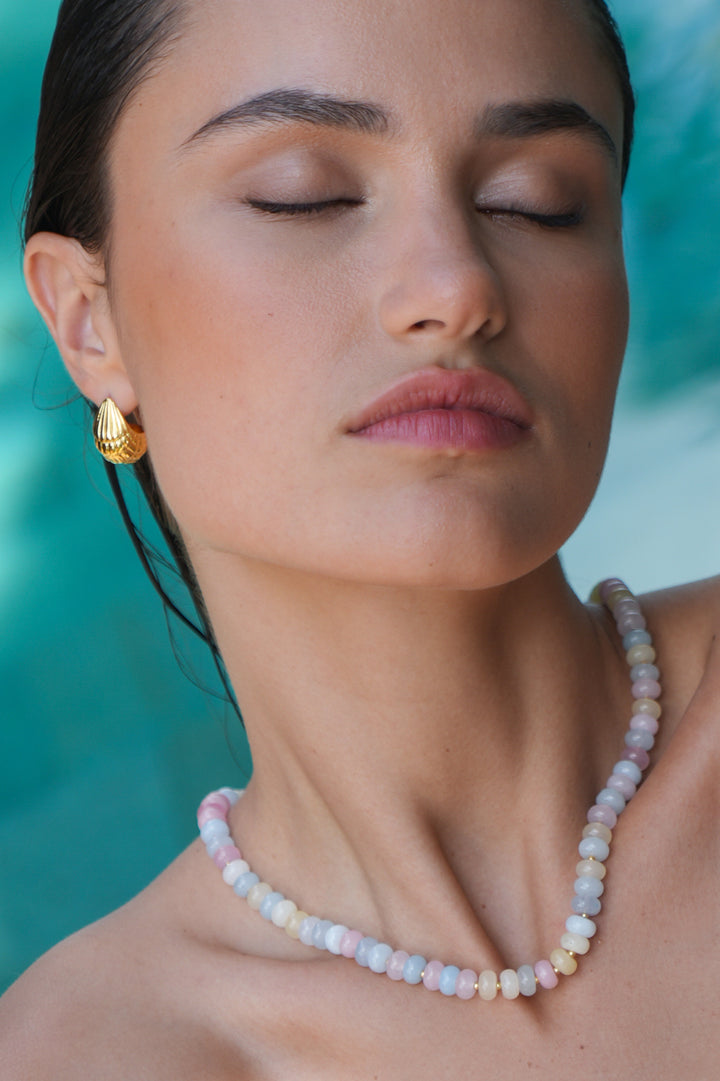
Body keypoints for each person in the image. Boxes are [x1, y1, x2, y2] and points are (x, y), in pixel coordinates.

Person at [1, 0, 717, 1077]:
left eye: (537, 202)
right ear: (87, 321)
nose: (455, 289)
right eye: (306, 197)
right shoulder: (97, 1052)